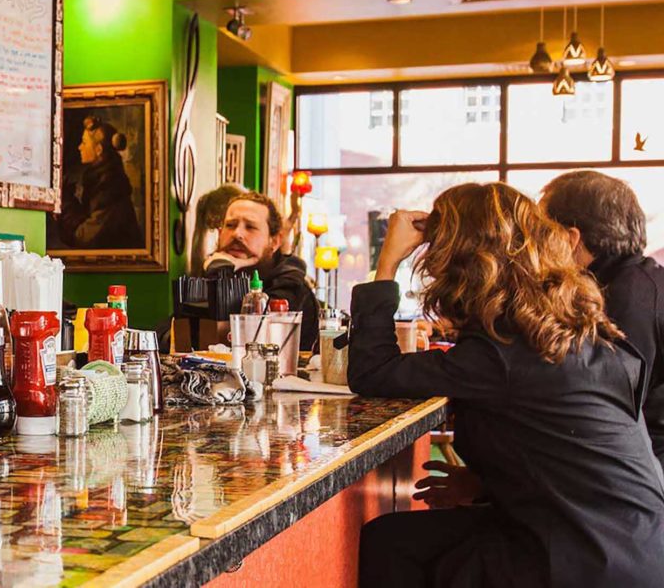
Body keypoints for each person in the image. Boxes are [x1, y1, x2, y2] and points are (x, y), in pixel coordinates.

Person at [351, 183, 664, 588]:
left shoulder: (501, 352)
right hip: (635, 548)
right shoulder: (570, 330)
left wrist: (387, 263)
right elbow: (578, 454)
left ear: (459, 264)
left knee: (393, 545)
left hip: (584, 560)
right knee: (395, 541)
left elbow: (372, 373)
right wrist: (486, 486)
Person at [541, 170, 664, 466]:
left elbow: (603, 415)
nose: (535, 246)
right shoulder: (638, 282)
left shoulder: (625, 299)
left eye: (541, 232)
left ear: (570, 238)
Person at [204, 192, 319, 350]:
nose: (237, 234)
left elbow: (243, 341)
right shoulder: (213, 268)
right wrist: (219, 271)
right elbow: (169, 334)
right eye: (230, 225)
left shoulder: (289, 285)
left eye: (250, 227)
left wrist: (222, 274)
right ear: (219, 233)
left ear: (275, 241)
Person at [57, 115, 142, 249]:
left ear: (98, 150)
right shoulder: (100, 180)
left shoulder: (110, 187)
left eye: (84, 142)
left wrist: (66, 203)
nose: (80, 147)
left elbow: (83, 237)